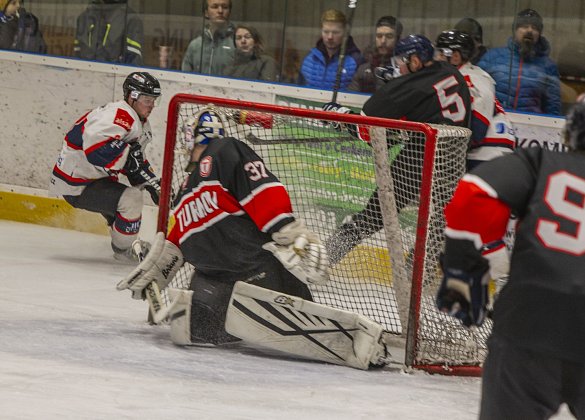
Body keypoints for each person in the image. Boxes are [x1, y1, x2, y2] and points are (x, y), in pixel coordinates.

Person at [116, 108, 387, 370]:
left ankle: (354, 342)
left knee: (235, 307)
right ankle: (219, 320)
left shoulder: (224, 150)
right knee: (198, 330)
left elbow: (262, 190)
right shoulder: (183, 193)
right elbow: (176, 245)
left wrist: (288, 231)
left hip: (258, 273)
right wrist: (158, 270)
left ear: (194, 137)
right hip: (214, 283)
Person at [436, 91, 585, 419]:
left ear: (569, 133)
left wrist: (463, 271)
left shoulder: (540, 162)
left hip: (529, 327)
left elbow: (473, 196)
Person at [323, 34, 471, 265]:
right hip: (453, 161)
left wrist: (340, 117)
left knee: (374, 216)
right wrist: (399, 80)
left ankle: (324, 258)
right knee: (439, 227)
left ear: (415, 60)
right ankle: (419, 278)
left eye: (403, 61)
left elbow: (368, 132)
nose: (398, 65)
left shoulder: (405, 88)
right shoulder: (451, 72)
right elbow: (426, 101)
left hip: (419, 158)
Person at [49, 71, 162, 262]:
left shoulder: (136, 121)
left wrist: (155, 185)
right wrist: (128, 157)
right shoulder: (121, 115)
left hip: (92, 179)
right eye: (146, 99)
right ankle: (124, 250)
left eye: (153, 100)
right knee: (131, 199)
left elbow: (136, 163)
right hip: (78, 183)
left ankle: (122, 239)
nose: (150, 105)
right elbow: (95, 149)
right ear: (131, 96)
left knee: (129, 196)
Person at [435, 29, 515, 170]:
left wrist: (451, 150)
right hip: (486, 151)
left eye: (441, 53)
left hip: (489, 152)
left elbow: (478, 126)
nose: (437, 58)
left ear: (455, 57)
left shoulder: (473, 78)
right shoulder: (459, 76)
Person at [477, 8, 561, 116]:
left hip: (531, 127)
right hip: (493, 124)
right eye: (524, 26)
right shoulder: (492, 57)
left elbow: (553, 108)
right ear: (515, 30)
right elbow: (476, 92)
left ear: (539, 34)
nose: (529, 30)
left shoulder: (548, 66)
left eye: (535, 28)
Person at [298, 8, 362, 91]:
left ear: (345, 33)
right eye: (326, 32)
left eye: (335, 32)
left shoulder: (356, 61)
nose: (330, 37)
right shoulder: (310, 59)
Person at [74, 0, 143, 65]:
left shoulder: (131, 19)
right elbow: (77, 55)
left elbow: (133, 62)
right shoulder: (84, 18)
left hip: (116, 75)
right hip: (82, 74)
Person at [348, 15, 402, 94]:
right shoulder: (364, 66)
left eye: (389, 36)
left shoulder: (404, 68)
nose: (383, 41)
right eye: (379, 36)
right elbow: (352, 96)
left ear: (397, 39)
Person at [181, 0, 236, 76]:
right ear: (206, 13)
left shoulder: (237, 44)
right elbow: (185, 79)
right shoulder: (195, 45)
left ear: (230, 12)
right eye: (215, 7)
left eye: (225, 7)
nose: (220, 11)